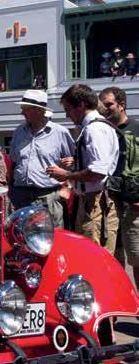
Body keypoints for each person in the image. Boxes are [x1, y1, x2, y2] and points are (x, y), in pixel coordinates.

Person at [47, 84, 120, 254]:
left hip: (96, 202)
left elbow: (98, 171)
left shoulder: (95, 129)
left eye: (68, 109)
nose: (67, 115)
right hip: (93, 201)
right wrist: (76, 163)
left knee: (94, 256)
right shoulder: (95, 127)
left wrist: (66, 174)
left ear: (81, 105)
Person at [9, 90, 75, 229]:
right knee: (21, 236)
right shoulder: (19, 132)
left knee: (52, 236)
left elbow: (74, 162)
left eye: (26, 109)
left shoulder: (60, 132)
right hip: (21, 196)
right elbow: (14, 162)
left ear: (39, 110)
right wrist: (11, 191)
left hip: (49, 196)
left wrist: (68, 187)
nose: (22, 112)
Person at [100, 86, 139, 279]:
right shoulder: (102, 131)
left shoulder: (137, 129)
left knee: (137, 259)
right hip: (109, 204)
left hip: (134, 206)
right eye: (102, 105)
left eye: (109, 104)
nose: (104, 109)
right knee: (112, 259)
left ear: (122, 105)